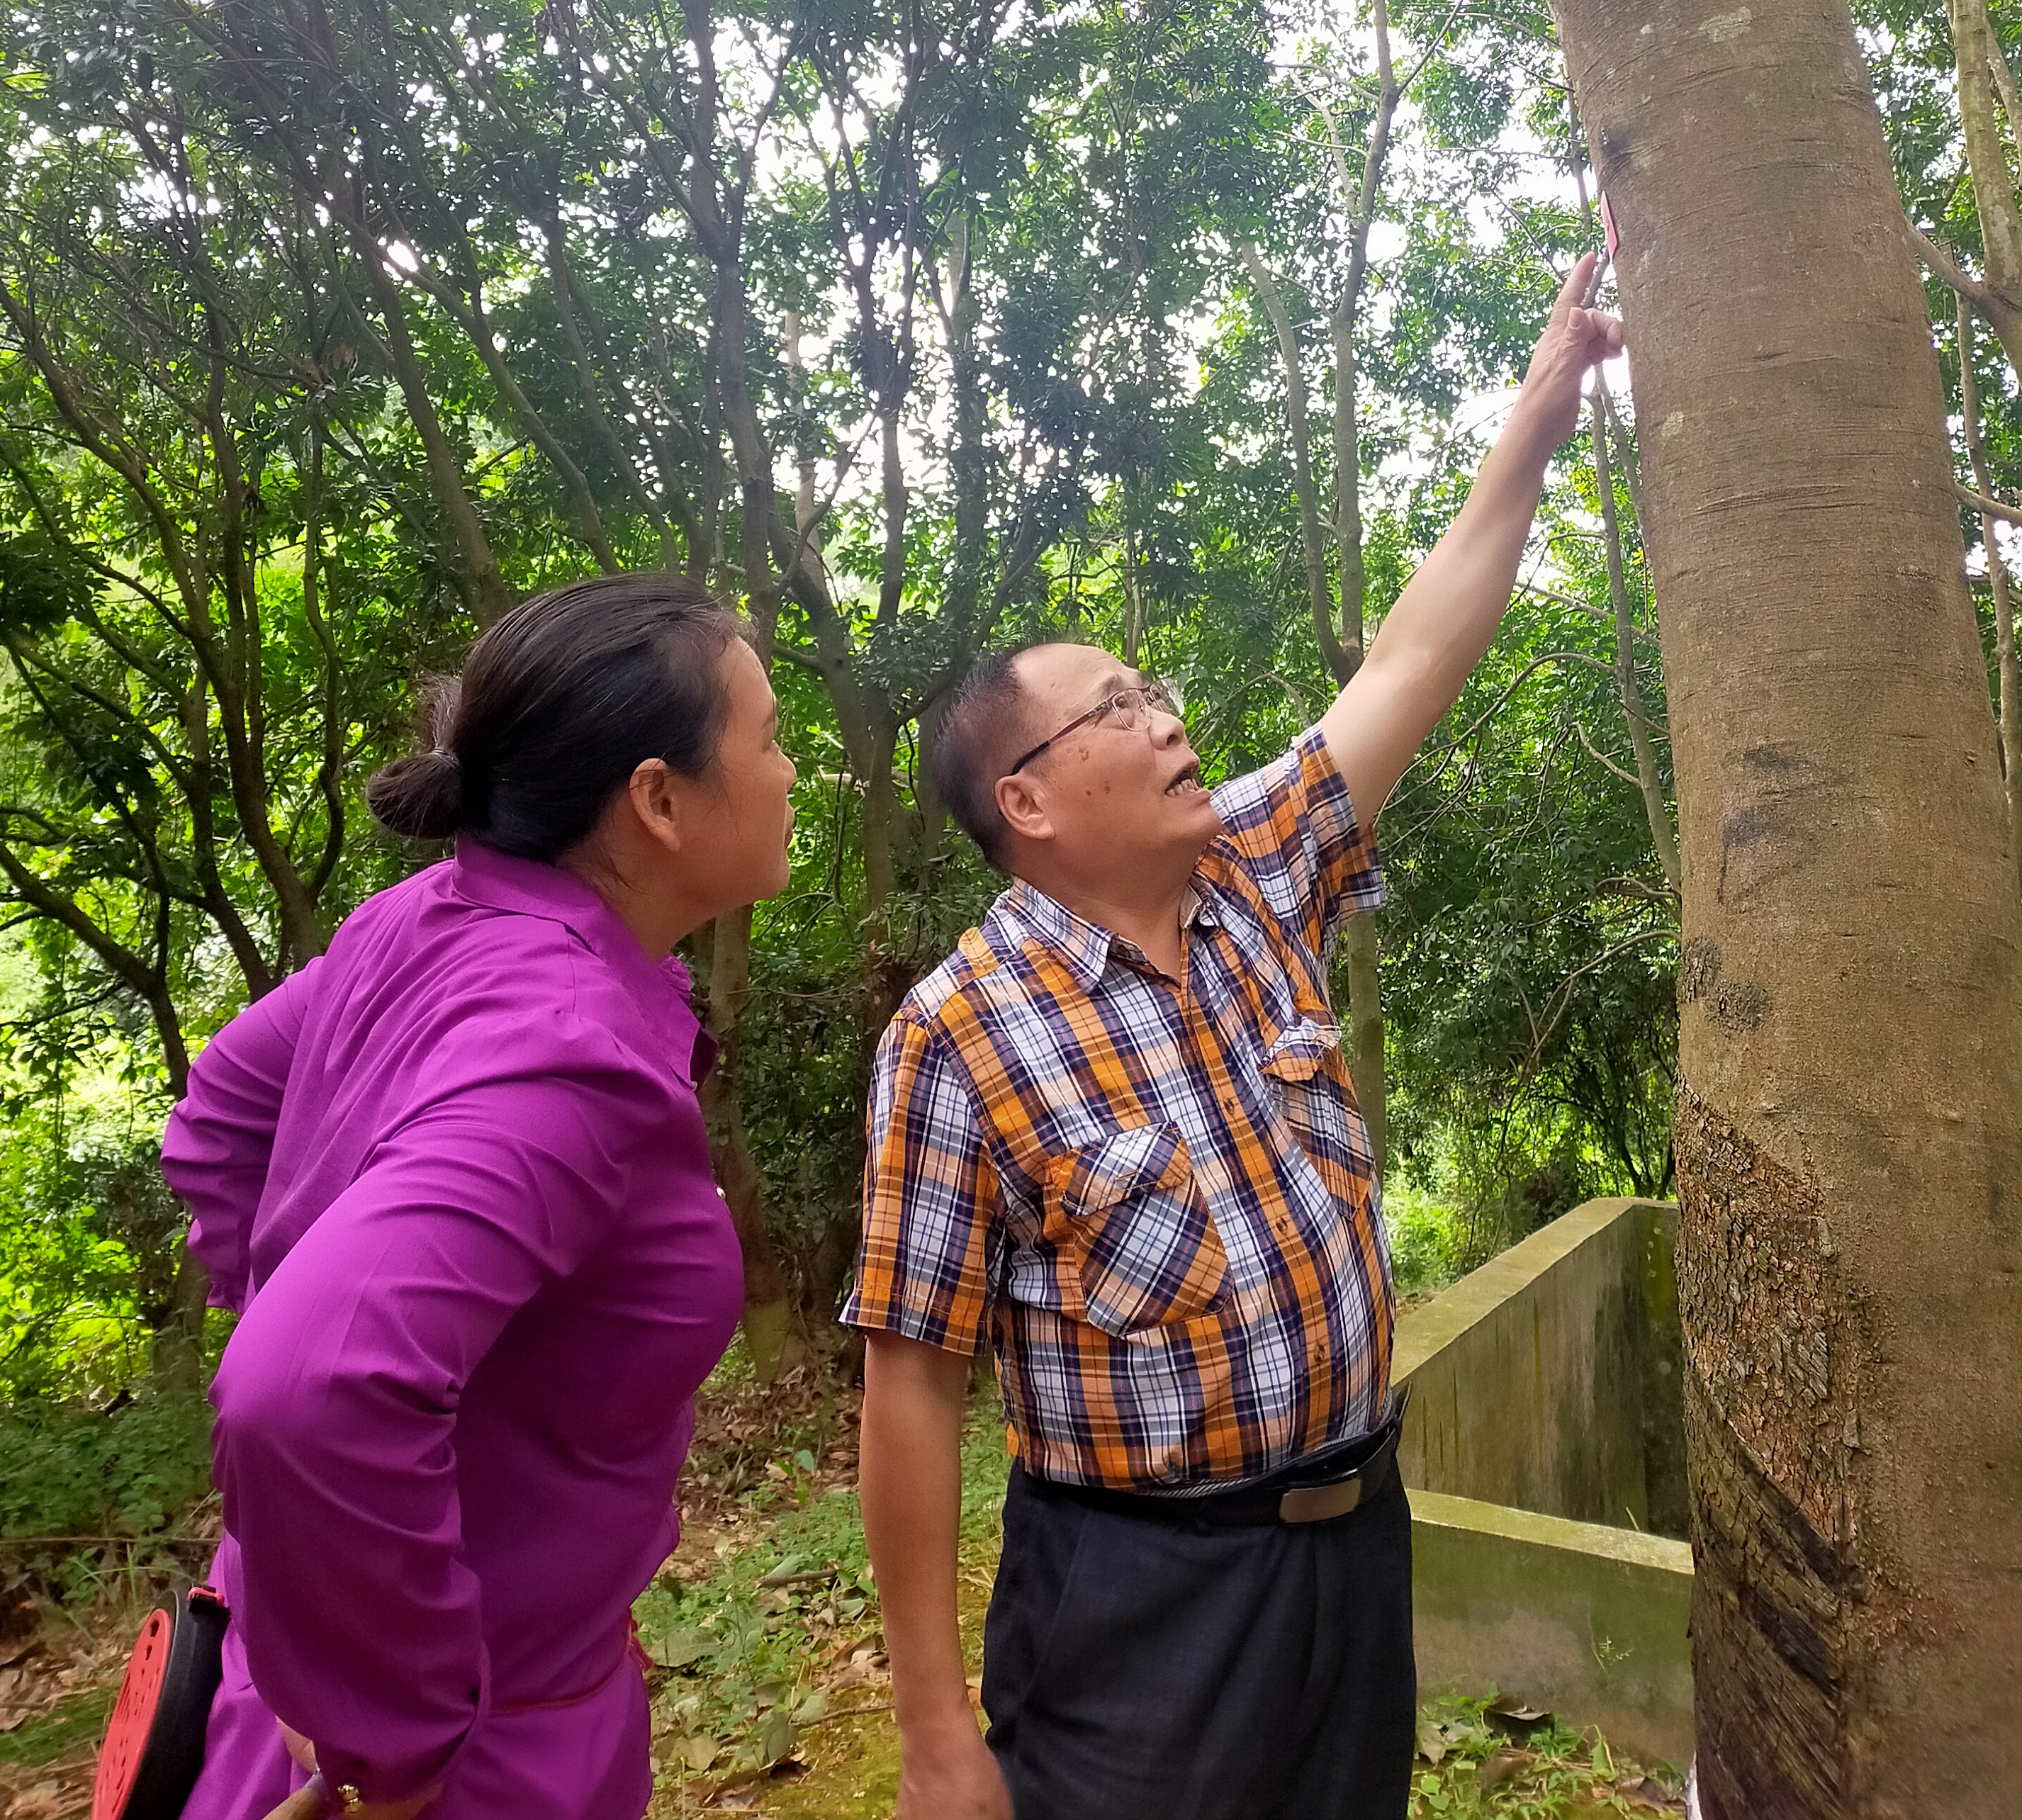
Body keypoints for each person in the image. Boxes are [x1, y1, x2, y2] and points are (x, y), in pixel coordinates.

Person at [844, 258, 1624, 1820]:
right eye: (1120, 705)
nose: (1167, 712)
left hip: (1356, 1537)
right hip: (1143, 1595)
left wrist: (1535, 423)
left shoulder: (1258, 870)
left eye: (1156, 688)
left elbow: (1409, 656)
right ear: (1031, 799)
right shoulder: (959, 1034)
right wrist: (937, 1735)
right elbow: (912, 1394)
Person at [161, 575, 795, 1820]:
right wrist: (394, 1740)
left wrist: (298, 1279)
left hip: (282, 1691)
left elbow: (226, 1103)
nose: (789, 771)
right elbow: (310, 1388)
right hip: (463, 1763)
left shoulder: (428, 918)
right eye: (768, 739)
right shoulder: (569, 1049)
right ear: (658, 801)